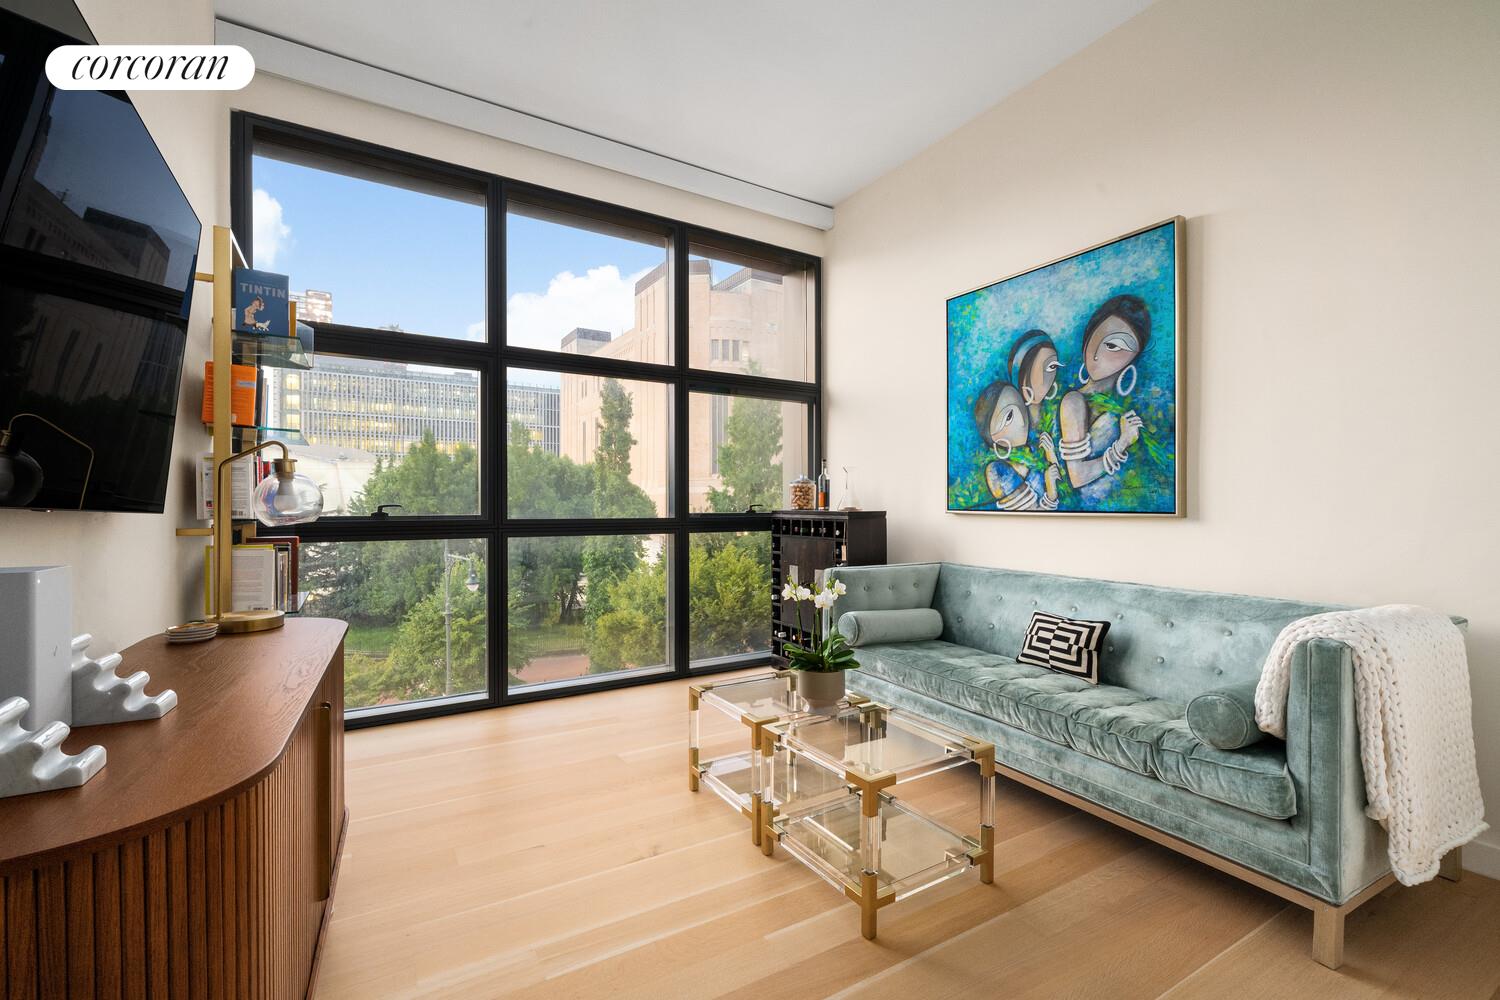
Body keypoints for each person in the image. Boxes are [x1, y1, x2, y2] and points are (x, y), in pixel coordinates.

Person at [1058, 295, 1149, 494]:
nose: (1095, 354)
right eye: (1093, 340)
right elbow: (1077, 476)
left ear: (1134, 357)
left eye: (1113, 345)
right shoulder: (1073, 401)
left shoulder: (1127, 405)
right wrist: (1122, 443)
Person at [972, 379, 1060, 511]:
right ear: (991, 435)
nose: (1022, 419)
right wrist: (1051, 495)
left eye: (1020, 405)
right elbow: (1030, 517)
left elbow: (1064, 489)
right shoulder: (997, 470)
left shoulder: (1034, 449)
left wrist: (1051, 454)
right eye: (1009, 416)